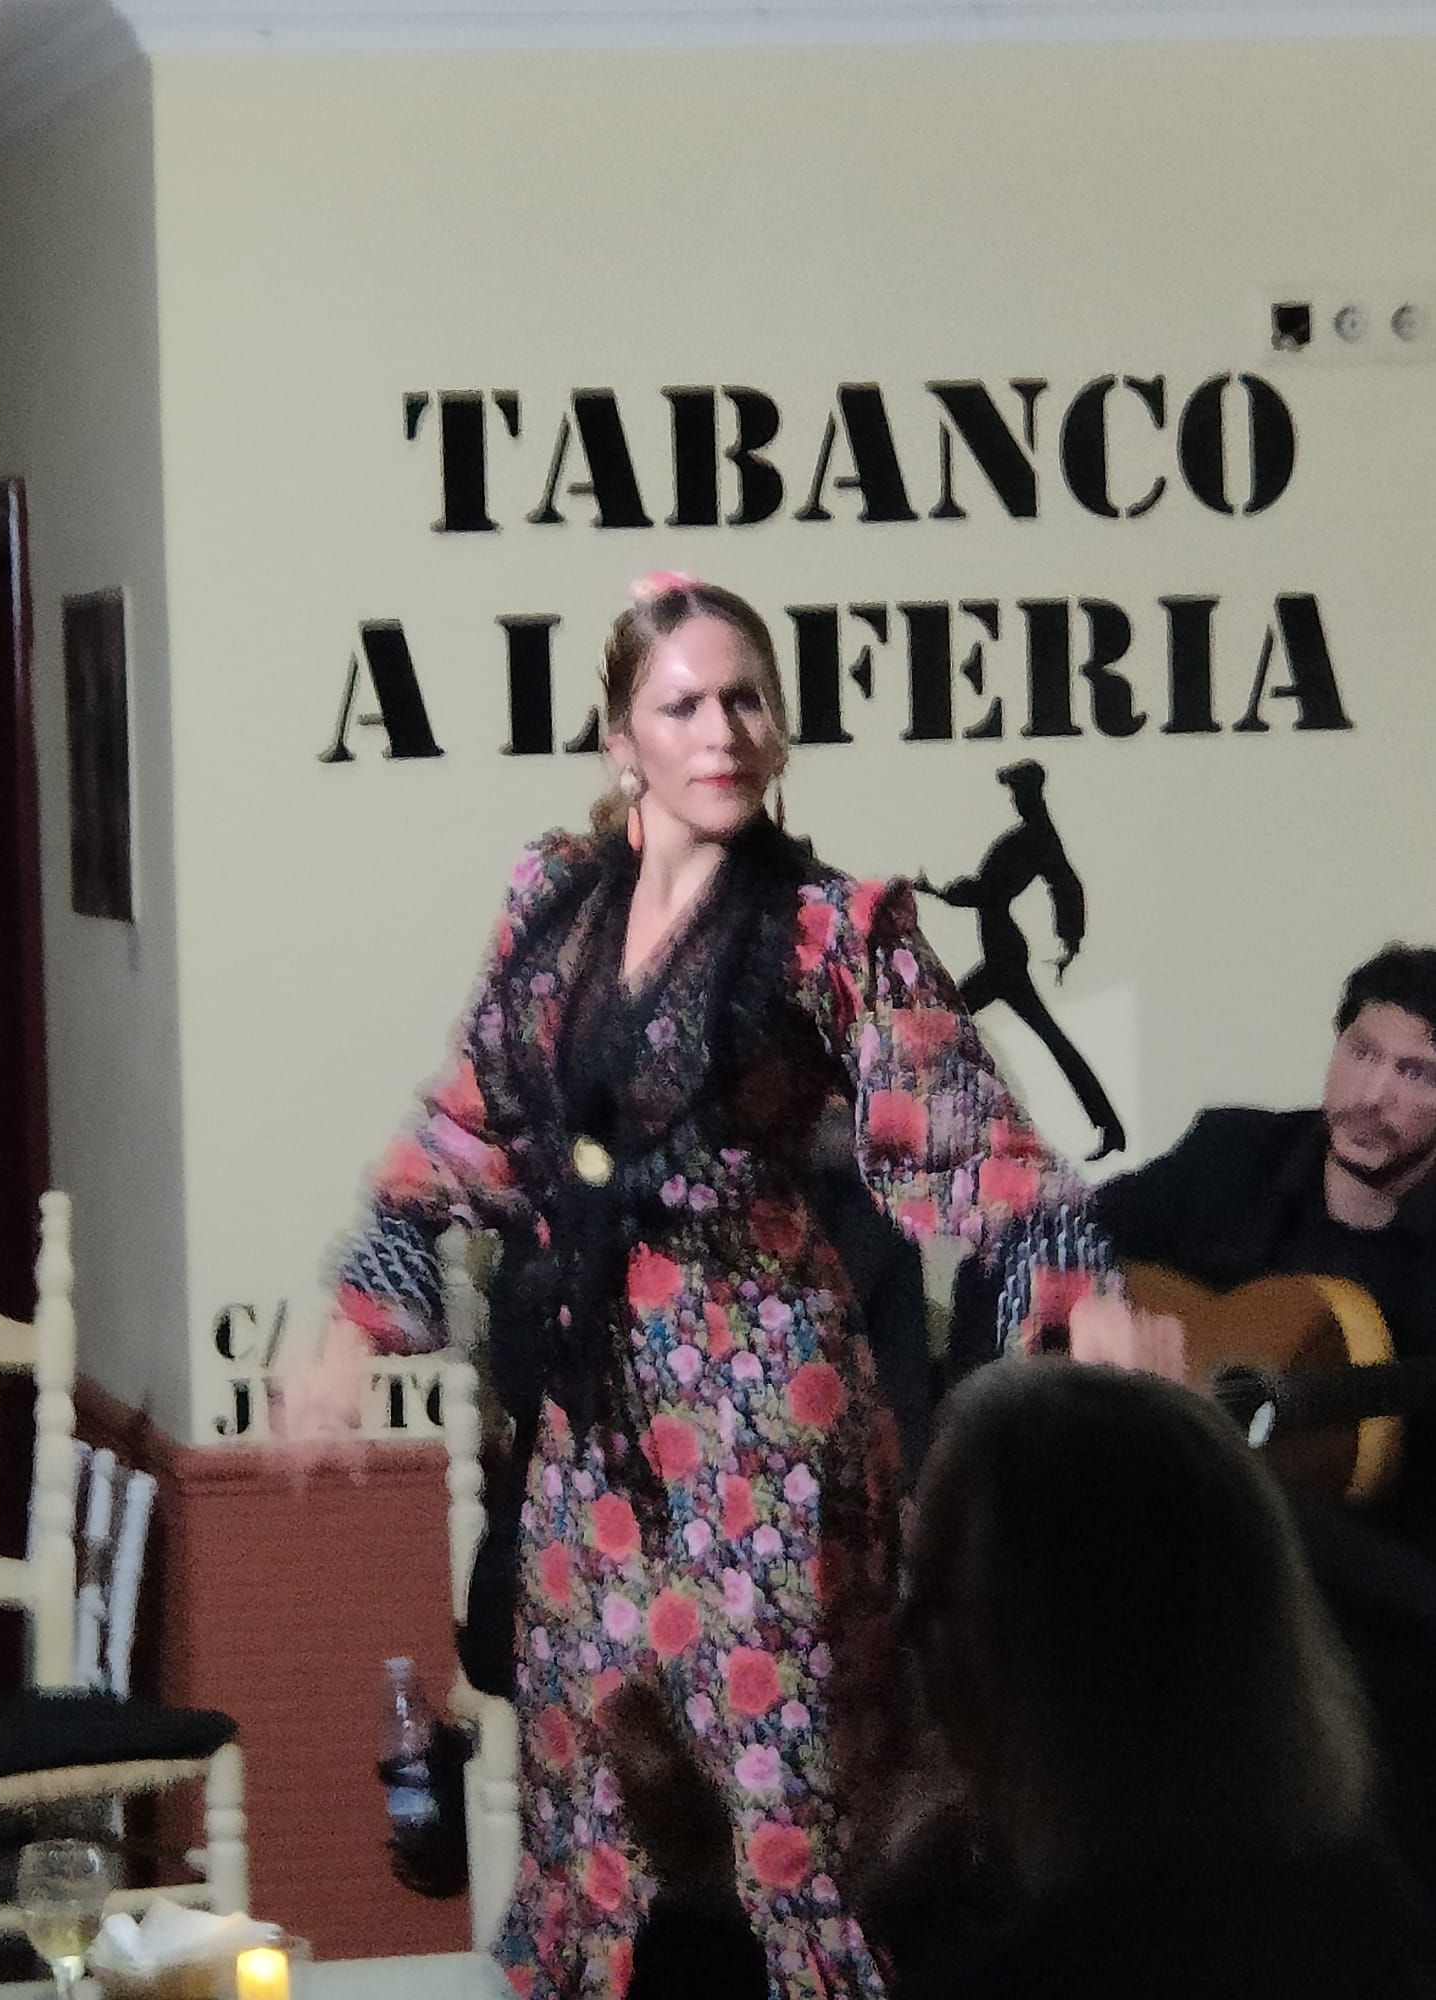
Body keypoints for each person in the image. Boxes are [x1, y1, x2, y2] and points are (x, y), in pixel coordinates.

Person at [331, 572, 1111, 2000]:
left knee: (784, 1816)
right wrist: (354, 1312)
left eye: (747, 698)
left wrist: (1076, 1284)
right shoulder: (553, 907)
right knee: (601, 1818)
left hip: (769, 1423)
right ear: (620, 738)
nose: (723, 729)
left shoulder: (829, 930)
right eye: (683, 703)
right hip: (598, 1427)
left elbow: (966, 1133)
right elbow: (470, 1124)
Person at [602, 1364, 1434, 2000]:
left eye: (932, 1604)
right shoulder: (1370, 1907)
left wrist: (700, 1900)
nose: (902, 1646)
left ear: (1063, 1664)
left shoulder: (1072, 1964)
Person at [1092, 945, 1436, 1904]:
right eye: (1360, 1053)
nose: (1372, 1096)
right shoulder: (1232, 1156)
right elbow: (1051, 1245)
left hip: (1362, 1612)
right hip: (1160, 1568)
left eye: (1416, 1075)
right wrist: (1100, 1318)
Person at [916, 760, 1126, 1161]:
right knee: (956, 1027)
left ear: (1030, 794)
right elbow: (1060, 883)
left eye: (1017, 792)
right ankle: (1106, 1126)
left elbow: (1006, 889)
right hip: (1003, 953)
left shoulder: (1034, 838)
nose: (1014, 800)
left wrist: (940, 892)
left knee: (942, 1026)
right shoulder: (1034, 836)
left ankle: (1102, 1126)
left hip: (1005, 958)